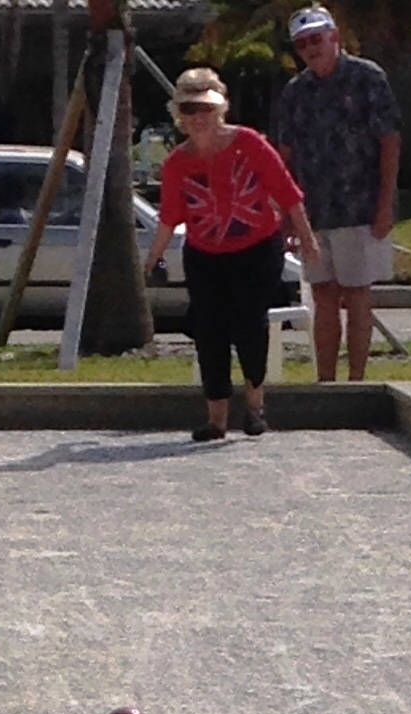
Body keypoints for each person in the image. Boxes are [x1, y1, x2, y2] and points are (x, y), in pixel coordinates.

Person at [143, 68, 320, 441]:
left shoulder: (250, 143)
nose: (198, 117)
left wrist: (308, 240)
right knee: (209, 331)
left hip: (256, 248)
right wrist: (153, 259)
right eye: (189, 109)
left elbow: (289, 196)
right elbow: (169, 218)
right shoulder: (177, 163)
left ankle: (255, 408)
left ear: (219, 107)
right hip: (205, 253)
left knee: (249, 324)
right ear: (180, 115)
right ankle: (216, 420)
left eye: (205, 107)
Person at [273, 6, 401, 383]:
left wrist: (385, 204)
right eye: (302, 43)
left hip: (360, 207)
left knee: (357, 295)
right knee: (322, 295)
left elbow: (390, 142)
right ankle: (326, 382)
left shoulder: (367, 78)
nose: (311, 48)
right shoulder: (295, 93)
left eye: (317, 38)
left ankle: (357, 380)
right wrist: (287, 216)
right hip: (314, 212)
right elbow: (284, 157)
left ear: (334, 37)